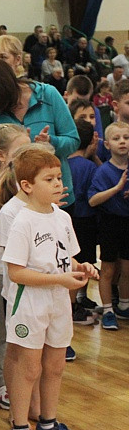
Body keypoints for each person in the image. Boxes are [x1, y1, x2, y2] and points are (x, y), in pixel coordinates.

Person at [3, 146, 96, 430]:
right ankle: (18, 429)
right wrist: (59, 279)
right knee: (28, 368)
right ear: (27, 186)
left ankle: (48, 423)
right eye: (50, 179)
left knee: (55, 365)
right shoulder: (22, 221)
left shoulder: (63, 217)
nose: (58, 183)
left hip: (59, 300)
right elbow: (16, 272)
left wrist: (82, 268)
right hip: (29, 301)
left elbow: (66, 257)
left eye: (59, 177)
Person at [0, 56, 80, 209]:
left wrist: (51, 143)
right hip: (17, 202)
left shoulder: (48, 95)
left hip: (58, 198)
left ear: (4, 86)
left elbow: (73, 141)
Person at [0, 124, 31, 409]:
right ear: (1, 155)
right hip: (1, 268)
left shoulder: (21, 180)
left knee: (18, 326)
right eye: (20, 150)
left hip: (18, 267)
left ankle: (14, 379)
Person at [88, 121, 129, 330]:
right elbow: (93, 200)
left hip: (127, 222)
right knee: (108, 269)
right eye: (117, 138)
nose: (122, 142)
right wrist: (117, 188)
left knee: (127, 267)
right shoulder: (103, 171)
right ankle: (107, 310)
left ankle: (123, 305)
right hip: (110, 223)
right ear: (107, 145)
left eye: (126, 137)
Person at [66, 118, 100, 322]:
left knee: (72, 261)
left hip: (69, 217)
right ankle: (75, 304)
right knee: (84, 262)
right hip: (86, 220)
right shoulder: (89, 166)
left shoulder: (63, 164)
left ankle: (76, 301)